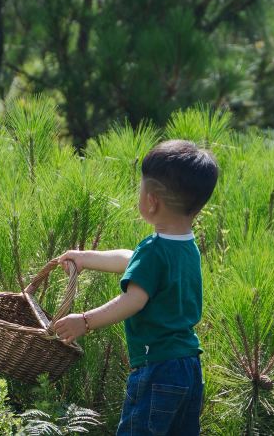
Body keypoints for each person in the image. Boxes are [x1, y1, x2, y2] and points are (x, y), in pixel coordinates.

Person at [51, 139, 219, 435]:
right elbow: (133, 260)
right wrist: (85, 257)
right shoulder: (185, 246)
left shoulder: (155, 250)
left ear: (152, 201)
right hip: (188, 367)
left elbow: (134, 299)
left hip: (157, 369)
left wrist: (85, 321)